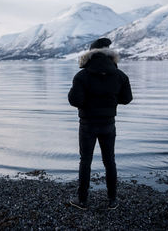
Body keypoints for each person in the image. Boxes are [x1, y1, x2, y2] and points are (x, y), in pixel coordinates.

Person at [68, 37, 132, 210]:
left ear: (90, 54)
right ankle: (112, 199)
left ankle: (82, 200)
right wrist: (111, 99)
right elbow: (127, 99)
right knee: (109, 161)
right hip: (108, 124)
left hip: (87, 125)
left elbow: (75, 101)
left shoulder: (82, 75)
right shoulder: (120, 75)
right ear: (110, 55)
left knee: (85, 161)